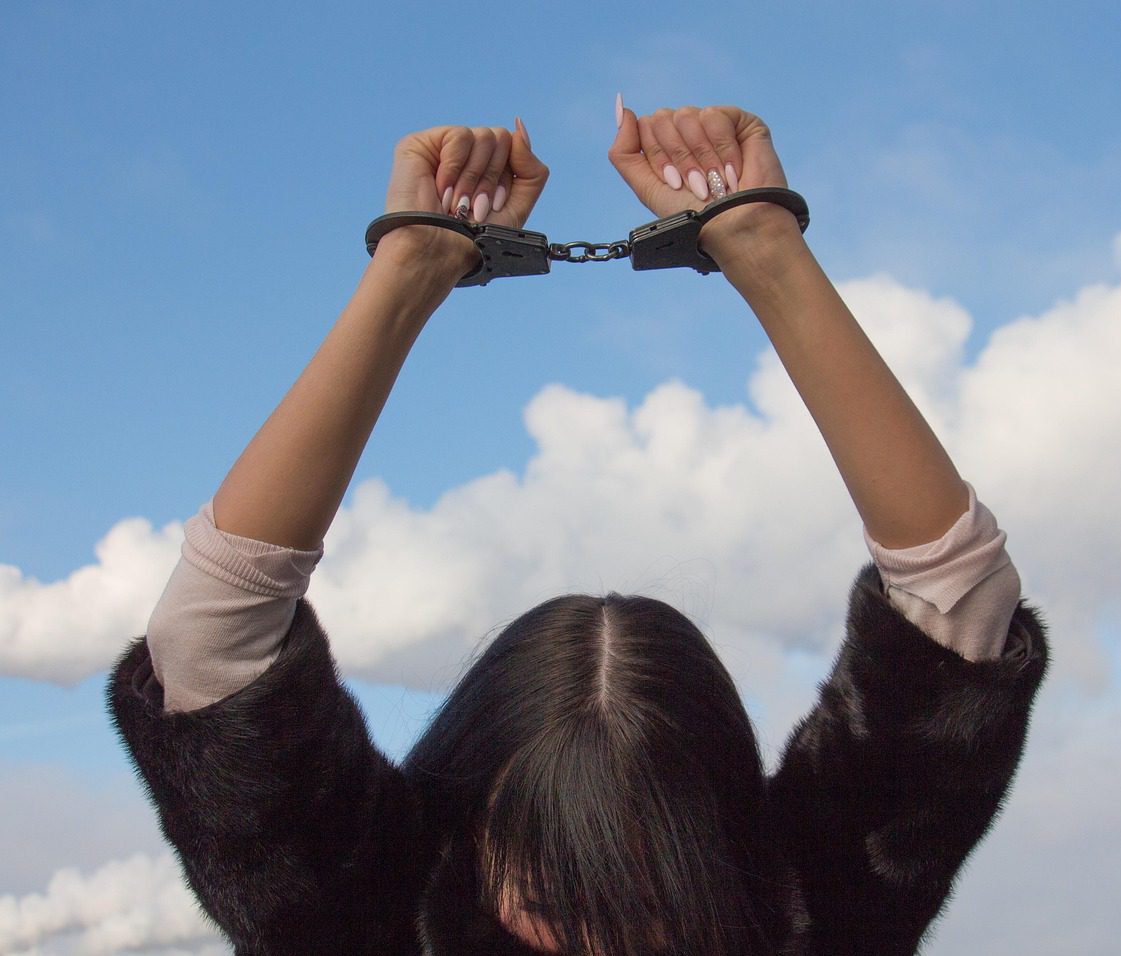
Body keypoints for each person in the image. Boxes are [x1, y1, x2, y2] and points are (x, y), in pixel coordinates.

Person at [109, 101, 1047, 956]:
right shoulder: (376, 926)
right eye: (558, 903)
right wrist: (411, 267)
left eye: (648, 900)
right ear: (469, 843)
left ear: (724, 851)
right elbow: (211, 649)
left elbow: (951, 625)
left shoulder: (802, 914)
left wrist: (765, 246)